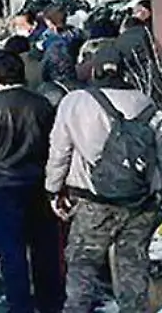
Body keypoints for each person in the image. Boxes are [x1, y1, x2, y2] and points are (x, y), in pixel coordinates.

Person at [46, 45, 160, 313]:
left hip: (93, 201)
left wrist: (53, 189)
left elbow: (59, 151)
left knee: (82, 268)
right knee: (133, 266)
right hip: (140, 201)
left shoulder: (74, 102)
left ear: (94, 70)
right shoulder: (145, 102)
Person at [0, 51, 63, 313]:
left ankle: (19, 303)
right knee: (44, 249)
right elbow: (55, 143)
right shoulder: (40, 104)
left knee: (11, 251)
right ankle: (50, 301)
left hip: (0, 186)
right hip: (38, 183)